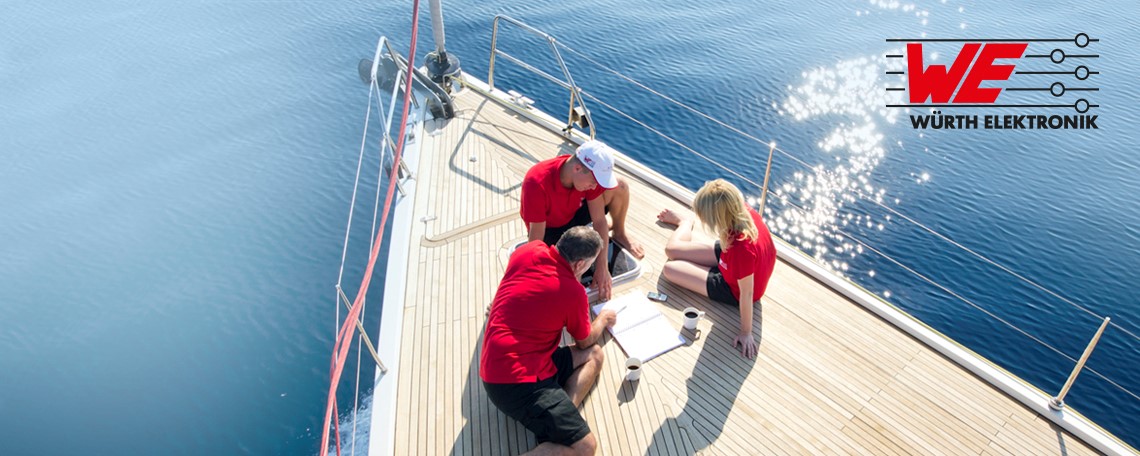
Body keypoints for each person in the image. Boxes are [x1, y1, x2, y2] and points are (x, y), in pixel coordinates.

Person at [480, 227, 618, 456]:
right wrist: (603, 319)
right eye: (590, 265)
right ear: (579, 264)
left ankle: (559, 422)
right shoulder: (573, 292)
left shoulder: (529, 250)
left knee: (595, 355)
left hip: (495, 365)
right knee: (585, 447)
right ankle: (557, 429)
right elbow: (584, 341)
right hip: (517, 383)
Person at [657, 179, 777, 359]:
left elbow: (747, 293)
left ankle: (687, 230)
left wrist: (746, 332)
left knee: (670, 269)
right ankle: (685, 223)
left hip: (733, 288)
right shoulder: (742, 213)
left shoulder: (741, 250)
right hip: (731, 256)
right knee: (671, 250)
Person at [520, 140, 645, 301]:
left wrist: (602, 266)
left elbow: (599, 221)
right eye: (594, 182)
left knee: (620, 186)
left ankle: (619, 232)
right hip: (549, 229)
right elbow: (535, 241)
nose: (594, 187)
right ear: (577, 168)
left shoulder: (585, 178)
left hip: (574, 212)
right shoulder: (536, 182)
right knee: (564, 281)